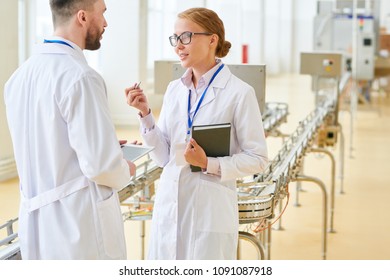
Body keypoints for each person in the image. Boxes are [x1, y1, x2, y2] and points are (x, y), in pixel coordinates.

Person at [125, 7, 268, 260]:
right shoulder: (174, 90)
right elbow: (164, 157)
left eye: (186, 36)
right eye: (175, 38)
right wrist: (146, 114)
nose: (178, 45)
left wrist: (207, 163)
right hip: (170, 206)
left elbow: (258, 158)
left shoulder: (239, 93)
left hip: (209, 211)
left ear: (212, 40)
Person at [4, 0, 135, 259]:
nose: (106, 23)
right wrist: (124, 168)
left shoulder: (19, 76)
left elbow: (45, 140)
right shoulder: (81, 76)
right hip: (78, 224)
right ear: (83, 17)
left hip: (36, 221)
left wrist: (103, 142)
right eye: (103, 14)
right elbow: (102, 166)